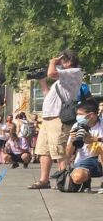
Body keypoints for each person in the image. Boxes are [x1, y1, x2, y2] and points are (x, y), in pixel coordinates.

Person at [30, 50, 84, 189]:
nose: (59, 64)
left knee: (59, 151)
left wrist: (52, 62)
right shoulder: (62, 81)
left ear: (68, 61)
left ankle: (64, 180)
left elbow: (52, 73)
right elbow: (47, 94)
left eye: (62, 61)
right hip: (48, 118)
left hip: (58, 118)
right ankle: (44, 180)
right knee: (44, 151)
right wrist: (41, 80)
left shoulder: (75, 72)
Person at [67, 98, 102, 189]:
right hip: (85, 161)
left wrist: (93, 139)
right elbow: (68, 153)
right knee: (77, 177)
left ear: (91, 115)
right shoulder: (77, 126)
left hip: (100, 157)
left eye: (80, 114)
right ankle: (86, 179)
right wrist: (72, 140)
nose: (78, 117)